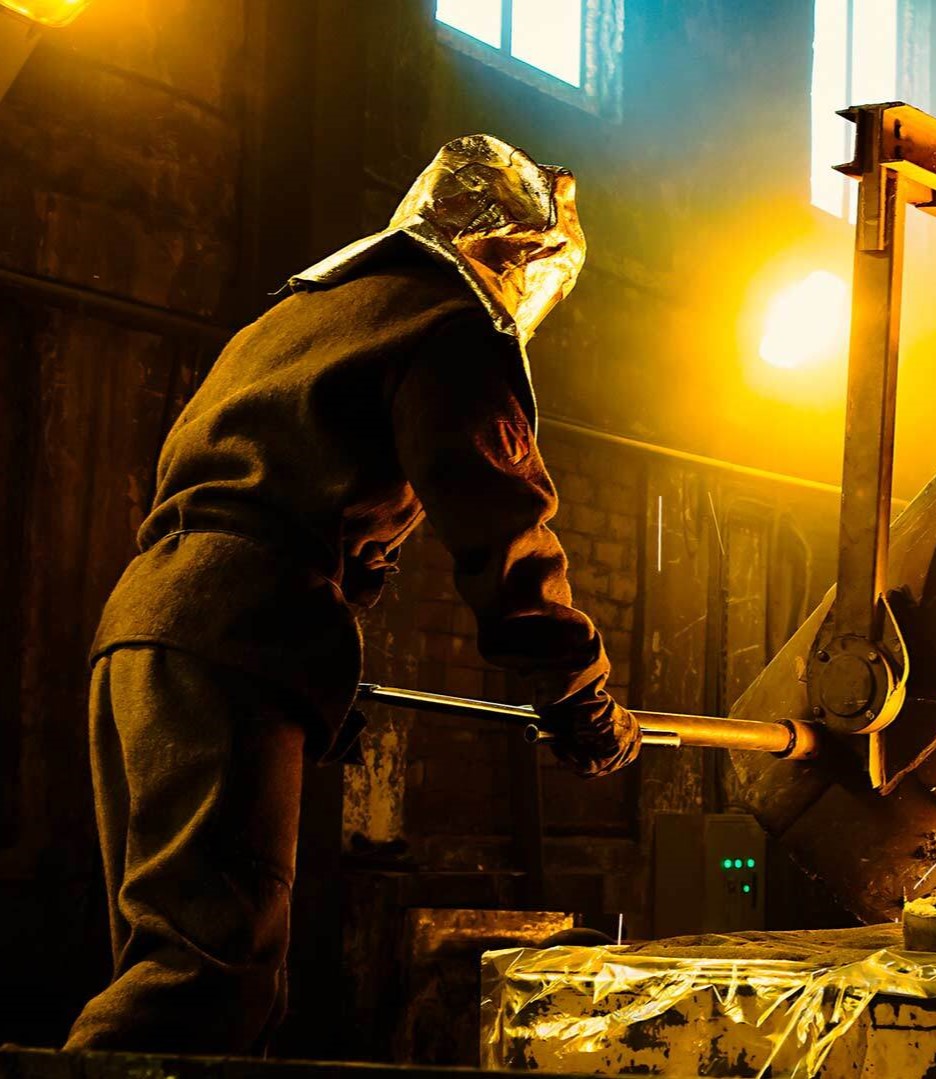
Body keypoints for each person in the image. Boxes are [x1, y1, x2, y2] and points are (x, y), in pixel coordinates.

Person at [64, 135, 640, 1053]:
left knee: (179, 959)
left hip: (147, 626)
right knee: (202, 981)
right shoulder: (450, 325)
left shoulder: (299, 317)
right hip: (234, 634)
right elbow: (500, 527)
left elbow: (290, 497)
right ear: (514, 252)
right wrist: (579, 695)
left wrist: (316, 668)